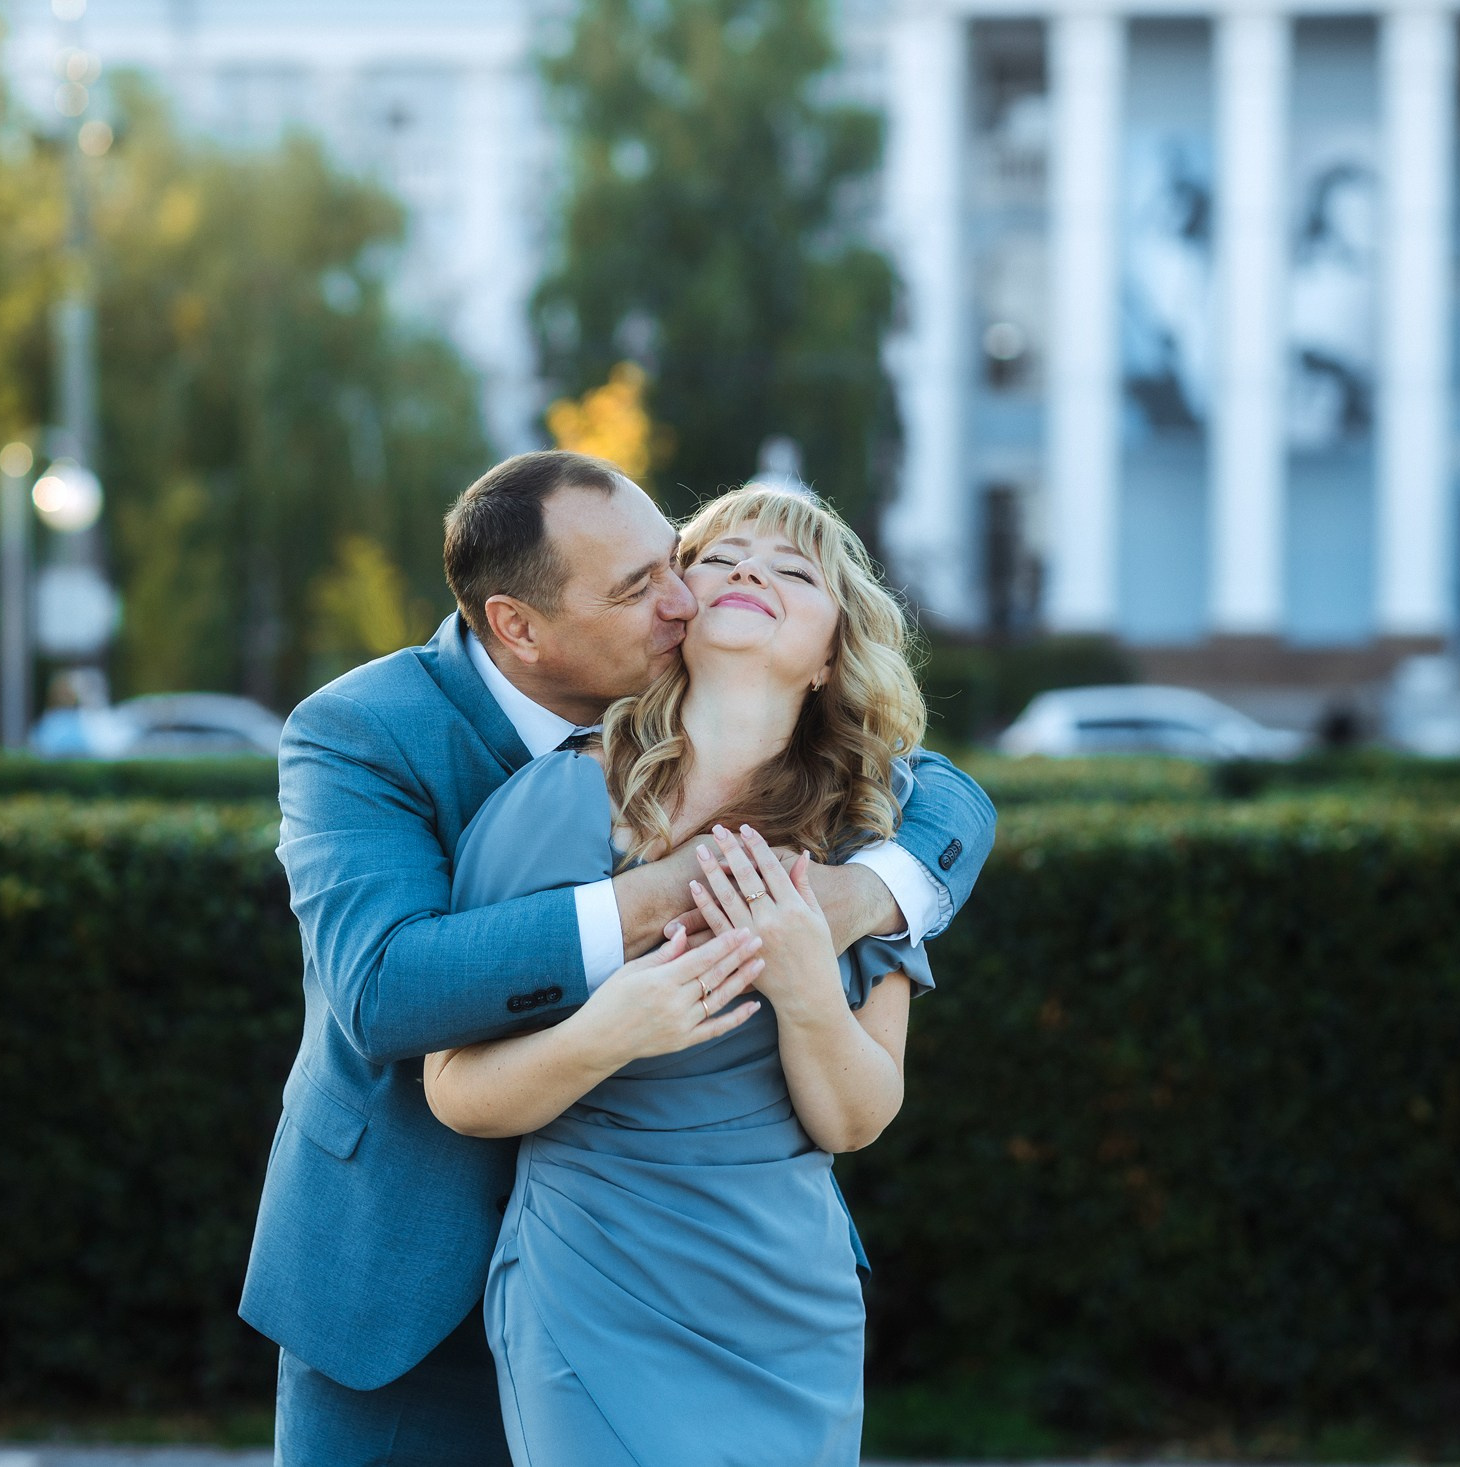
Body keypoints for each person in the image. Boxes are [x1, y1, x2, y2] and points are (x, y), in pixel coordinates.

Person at [239, 450, 996, 1467]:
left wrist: (859, 899)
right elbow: (385, 990)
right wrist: (678, 890)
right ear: (519, 627)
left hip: (732, 1280)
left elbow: (941, 796)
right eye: (642, 586)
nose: (686, 599)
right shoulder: (363, 732)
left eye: (673, 560)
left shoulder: (831, 797)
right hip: (405, 1267)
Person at [423, 483, 934, 1465]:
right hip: (592, 1288)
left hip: (789, 1308)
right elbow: (455, 1089)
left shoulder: (872, 839)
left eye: (793, 571)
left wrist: (804, 985)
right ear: (675, 615)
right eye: (719, 560)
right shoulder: (556, 801)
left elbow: (856, 1118)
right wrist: (612, 1029)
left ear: (830, 656)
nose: (751, 573)